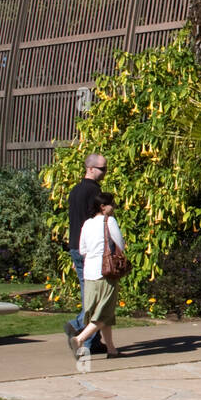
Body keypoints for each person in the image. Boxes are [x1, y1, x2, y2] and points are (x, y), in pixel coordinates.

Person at [71, 191, 124, 359]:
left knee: (101, 311)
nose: (114, 207)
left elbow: (83, 250)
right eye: (112, 204)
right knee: (104, 313)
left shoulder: (87, 224)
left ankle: (111, 350)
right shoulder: (110, 221)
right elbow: (120, 245)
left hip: (89, 273)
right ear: (103, 207)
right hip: (106, 272)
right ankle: (79, 339)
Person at [66, 154, 107, 353]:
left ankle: (94, 341)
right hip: (89, 250)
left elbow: (74, 221)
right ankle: (77, 327)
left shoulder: (75, 190)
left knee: (89, 295)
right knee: (95, 298)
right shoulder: (93, 191)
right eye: (102, 169)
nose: (104, 173)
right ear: (90, 168)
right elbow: (93, 223)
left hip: (76, 246)